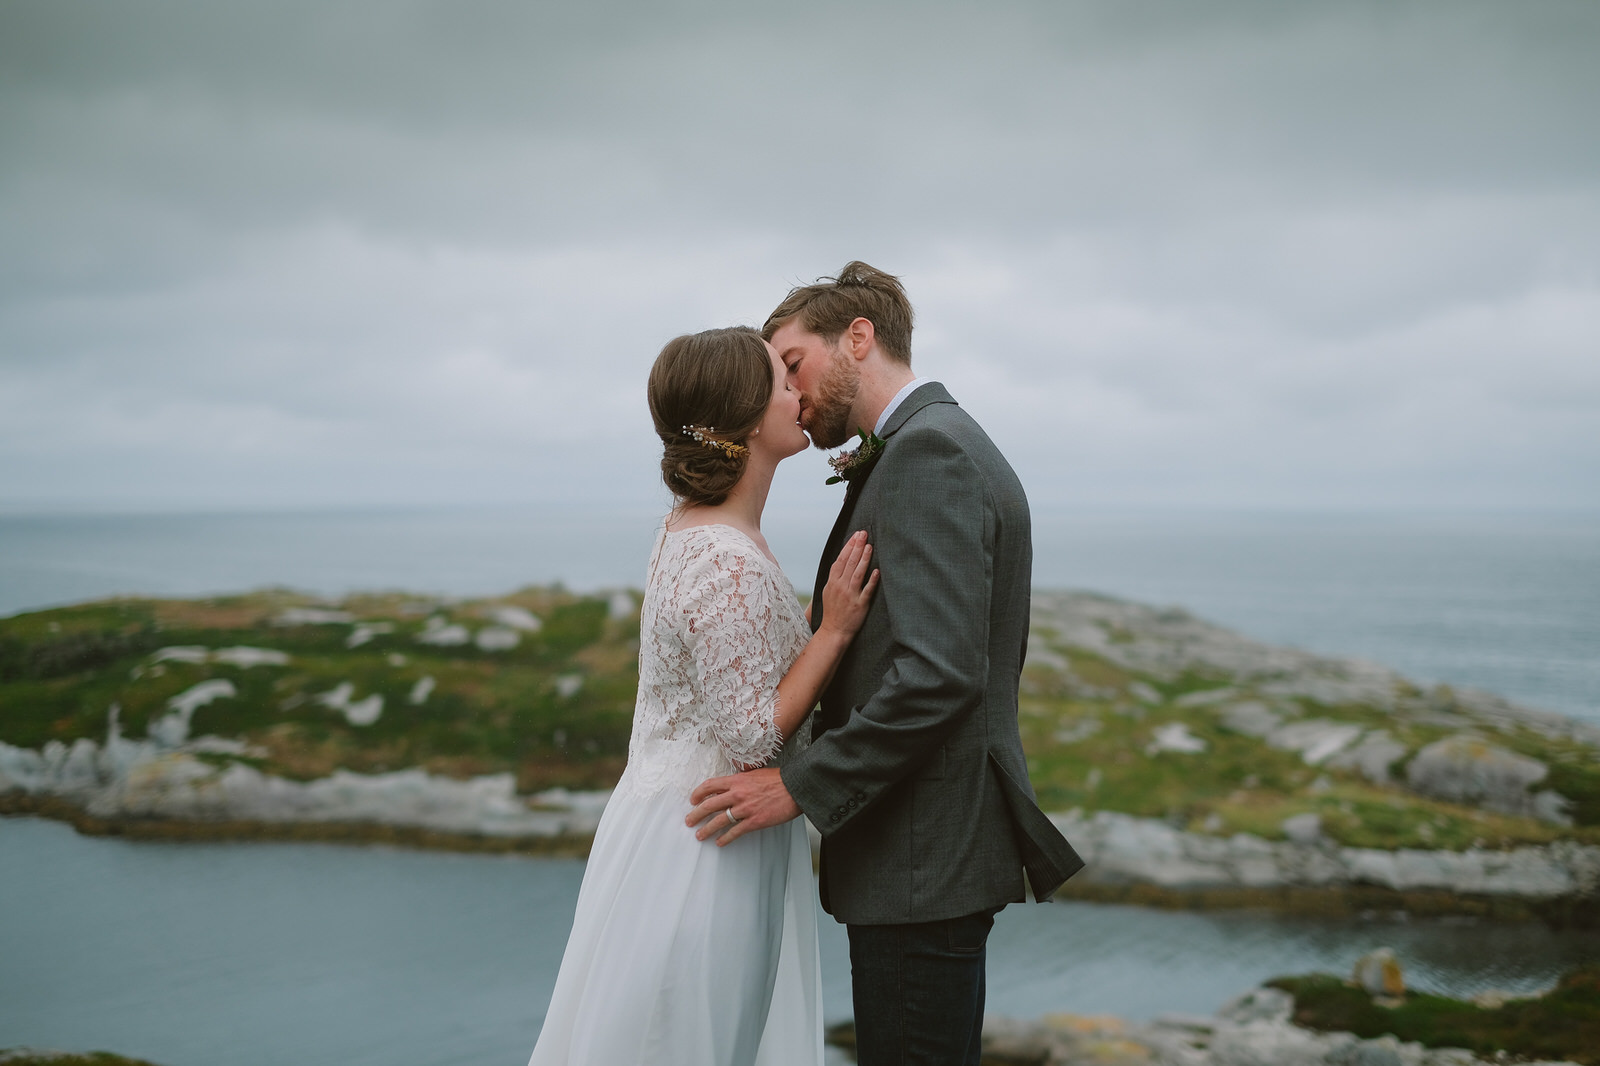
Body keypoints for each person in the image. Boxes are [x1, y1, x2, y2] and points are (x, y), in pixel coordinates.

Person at [687, 262, 1085, 1066]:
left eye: (792, 364)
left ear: (858, 340)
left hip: (921, 861)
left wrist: (799, 784)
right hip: (926, 858)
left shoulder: (928, 454)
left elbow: (939, 674)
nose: (791, 397)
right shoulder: (930, 443)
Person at [527, 325, 879, 1066]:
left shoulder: (687, 528)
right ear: (751, 418)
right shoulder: (723, 556)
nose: (799, 392)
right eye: (782, 382)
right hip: (705, 851)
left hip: (673, 825)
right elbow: (753, 737)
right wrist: (835, 632)